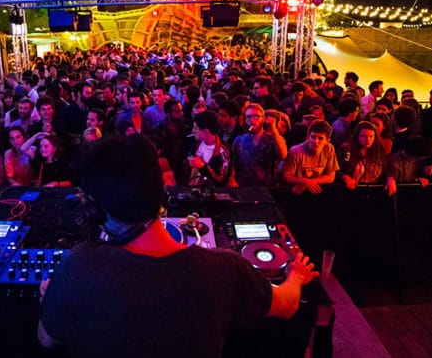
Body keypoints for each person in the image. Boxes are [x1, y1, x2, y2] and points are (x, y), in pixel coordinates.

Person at [38, 135, 319, 356]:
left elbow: (46, 339)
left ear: (95, 210)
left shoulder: (76, 265)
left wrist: (51, 297)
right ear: (161, 193)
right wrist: (296, 275)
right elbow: (288, 305)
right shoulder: (224, 268)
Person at [231, 103, 287, 186]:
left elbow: (283, 155)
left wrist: (273, 129)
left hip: (267, 188)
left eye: (256, 116)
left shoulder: (273, 140)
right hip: (244, 187)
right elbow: (233, 163)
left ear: (263, 119)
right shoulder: (239, 140)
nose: (252, 120)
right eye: (249, 117)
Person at [282, 120, 339, 195]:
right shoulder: (295, 151)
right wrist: (304, 181)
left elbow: (331, 177)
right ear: (308, 137)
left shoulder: (329, 149)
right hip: (297, 193)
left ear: (327, 140)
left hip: (317, 191)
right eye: (313, 137)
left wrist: (309, 183)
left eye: (320, 138)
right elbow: (287, 176)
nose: (315, 141)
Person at [183, 110, 231, 186]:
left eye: (196, 128)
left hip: (208, 191)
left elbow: (221, 182)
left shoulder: (222, 152)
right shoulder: (192, 141)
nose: (193, 131)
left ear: (206, 131)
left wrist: (203, 167)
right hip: (189, 188)